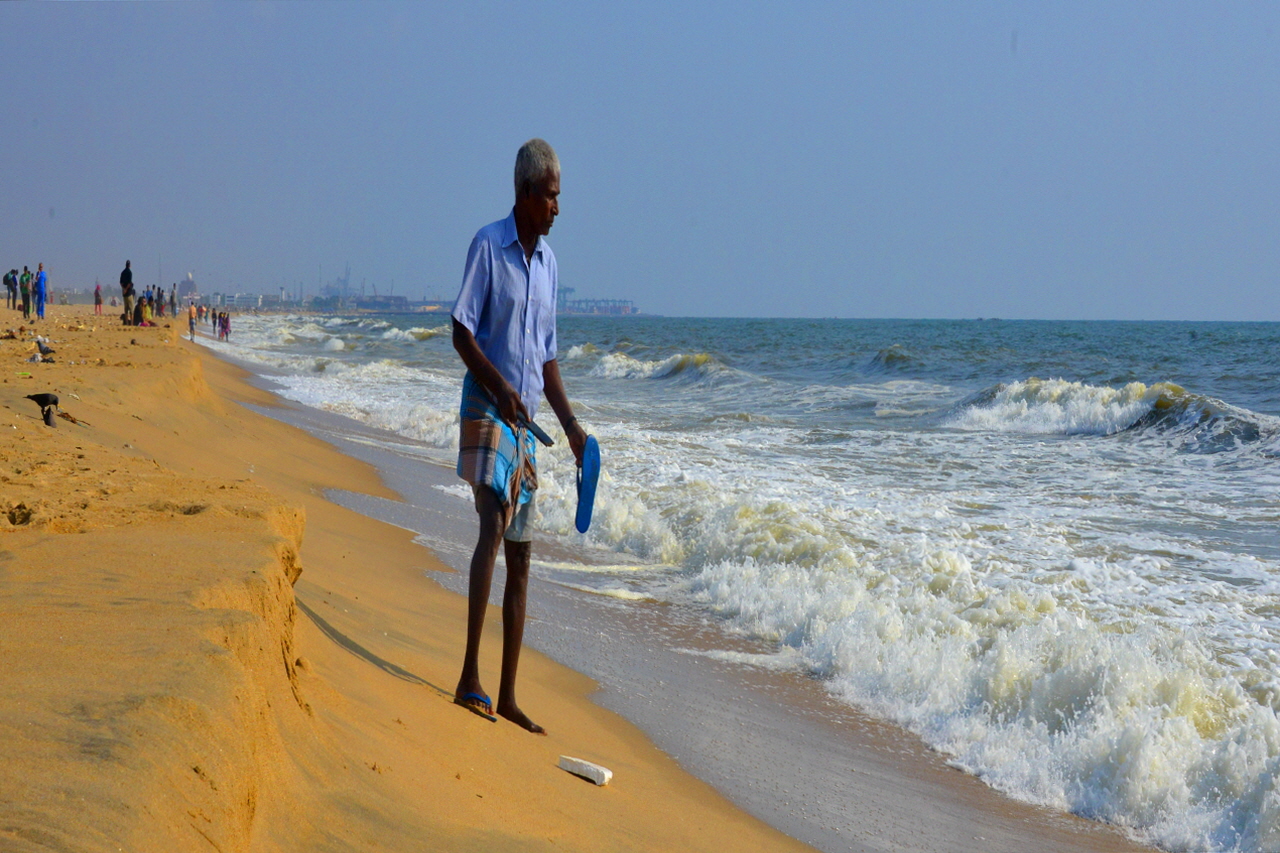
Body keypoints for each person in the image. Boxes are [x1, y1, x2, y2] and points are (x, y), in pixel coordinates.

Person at [450, 139, 586, 735]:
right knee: (493, 525)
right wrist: (499, 387)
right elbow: (460, 332)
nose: (559, 208)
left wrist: (573, 428)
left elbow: (548, 359)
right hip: (486, 404)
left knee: (523, 558)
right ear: (527, 194)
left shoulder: (551, 266)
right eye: (552, 196)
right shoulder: (488, 246)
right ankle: (468, 678)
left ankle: (506, 693)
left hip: (526, 424)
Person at [120, 260, 135, 326]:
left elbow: (121, 282)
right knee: (131, 309)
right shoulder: (129, 272)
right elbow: (129, 282)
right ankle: (131, 323)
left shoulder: (123, 272)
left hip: (124, 293)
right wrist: (126, 289)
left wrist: (123, 289)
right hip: (129, 293)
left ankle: (126, 322)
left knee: (126, 309)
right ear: (129, 265)